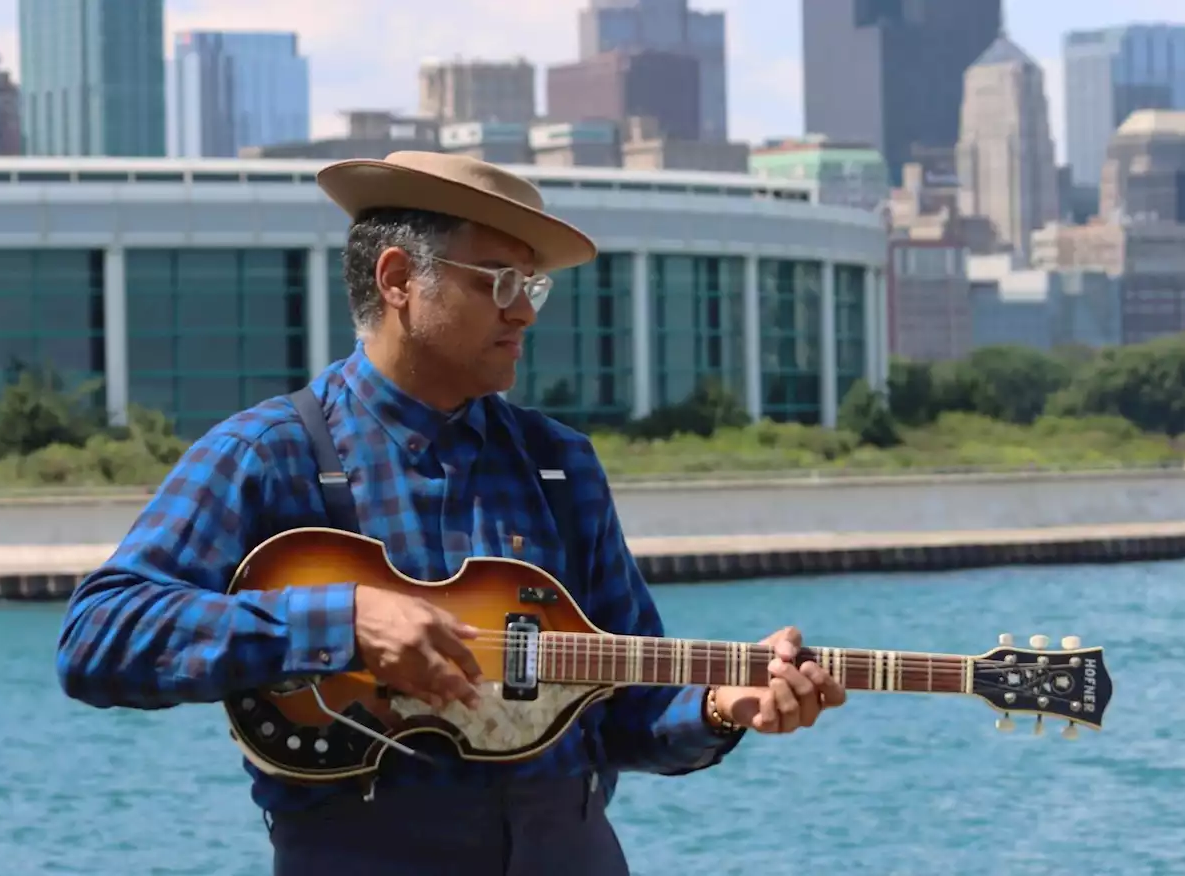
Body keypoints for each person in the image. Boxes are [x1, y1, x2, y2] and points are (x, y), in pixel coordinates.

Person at [55, 151, 847, 876]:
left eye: (531, 286)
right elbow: (98, 636)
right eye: (498, 281)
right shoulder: (269, 453)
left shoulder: (560, 463)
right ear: (399, 279)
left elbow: (625, 705)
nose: (525, 313)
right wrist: (343, 622)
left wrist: (721, 705)